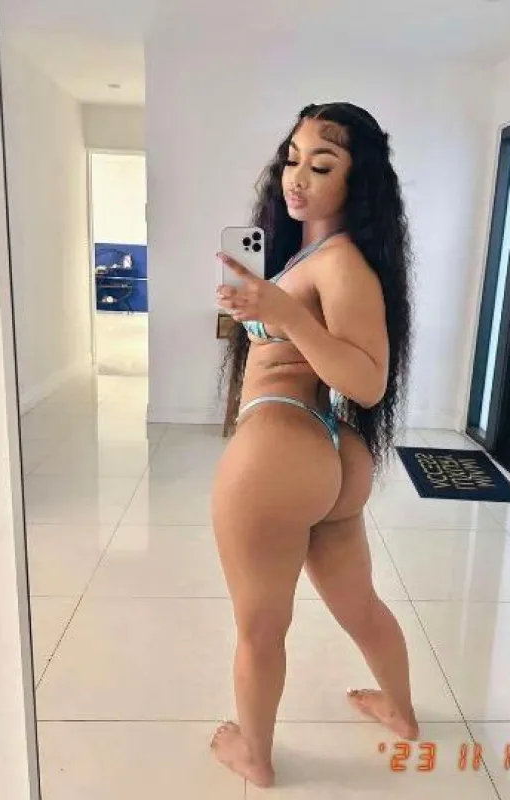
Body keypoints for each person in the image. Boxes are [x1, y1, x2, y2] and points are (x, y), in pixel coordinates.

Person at [211, 102, 416, 788]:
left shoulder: (341, 262)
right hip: (324, 454)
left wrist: (283, 314)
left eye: (321, 166)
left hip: (280, 452)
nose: (296, 177)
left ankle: (255, 757)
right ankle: (400, 711)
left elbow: (366, 381)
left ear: (358, 182)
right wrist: (259, 309)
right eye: (292, 159)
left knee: (259, 629)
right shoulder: (312, 255)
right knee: (358, 605)